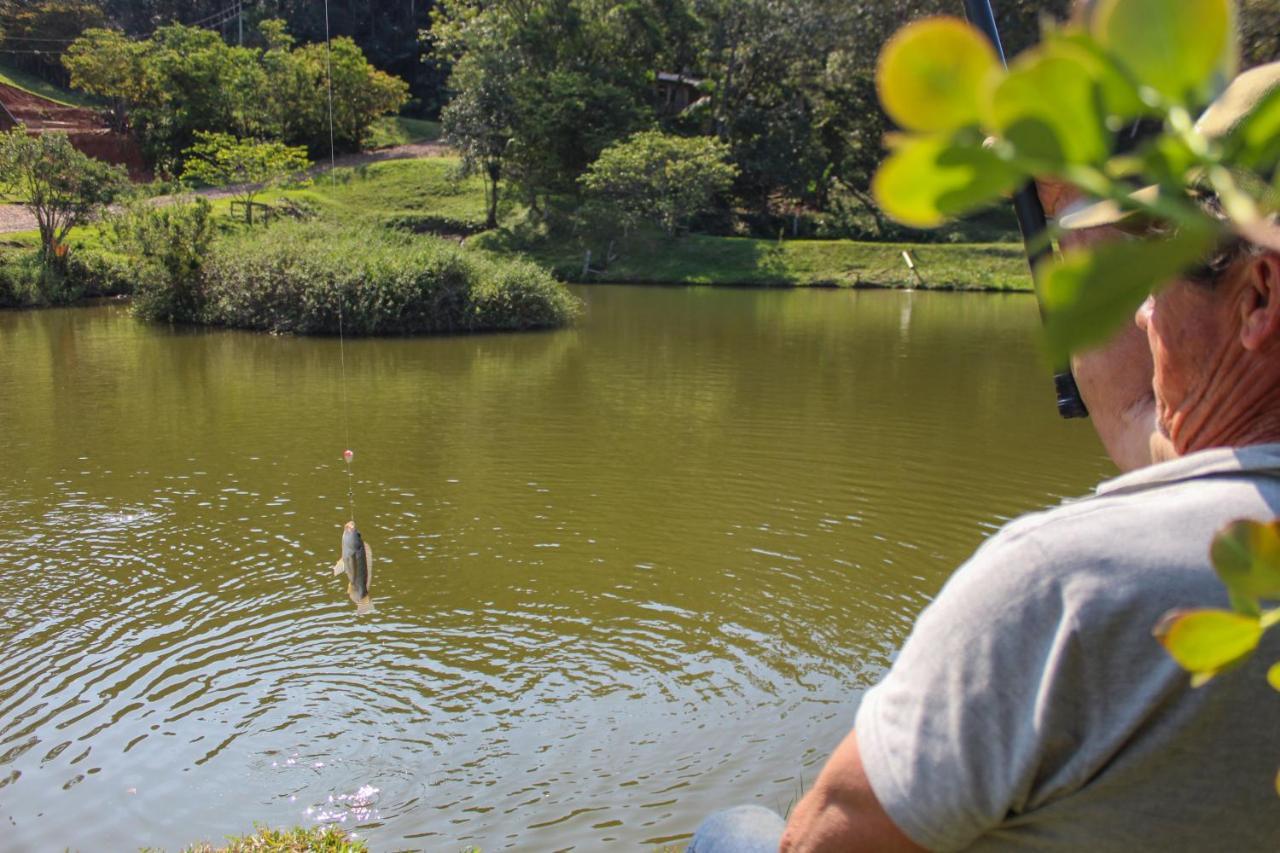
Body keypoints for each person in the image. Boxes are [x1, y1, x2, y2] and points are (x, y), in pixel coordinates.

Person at [688, 61, 1280, 852]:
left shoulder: (1068, 585)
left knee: (738, 832)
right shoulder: (1230, 522)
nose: (1138, 314)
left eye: (1156, 265)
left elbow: (825, 840)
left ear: (1261, 296)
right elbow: (1150, 419)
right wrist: (1069, 203)